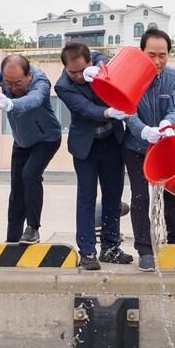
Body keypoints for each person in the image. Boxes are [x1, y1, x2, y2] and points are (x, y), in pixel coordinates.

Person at [56, 42, 130, 271]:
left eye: (81, 70)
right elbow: (85, 108)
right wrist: (109, 112)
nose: (78, 76)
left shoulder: (100, 63)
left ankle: (111, 247)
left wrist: (100, 69)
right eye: (72, 72)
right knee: (86, 198)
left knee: (112, 195)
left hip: (112, 142)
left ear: (88, 61)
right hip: (85, 147)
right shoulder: (63, 86)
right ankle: (87, 251)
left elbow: (113, 63)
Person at [119, 29, 175, 271]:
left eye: (162, 56)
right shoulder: (130, 76)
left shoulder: (173, 77)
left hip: (165, 145)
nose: (157, 61)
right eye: (151, 55)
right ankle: (144, 249)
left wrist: (168, 123)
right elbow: (128, 109)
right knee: (140, 197)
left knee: (171, 196)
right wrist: (143, 130)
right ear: (141, 52)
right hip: (136, 145)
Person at [0, 54, 58, 244]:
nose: (11, 88)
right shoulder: (4, 77)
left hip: (46, 139)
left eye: (17, 83)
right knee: (16, 188)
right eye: (7, 83)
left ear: (28, 76)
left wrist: (11, 103)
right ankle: (12, 237)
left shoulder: (41, 81)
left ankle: (33, 228)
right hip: (21, 141)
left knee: (30, 175)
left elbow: (33, 100)